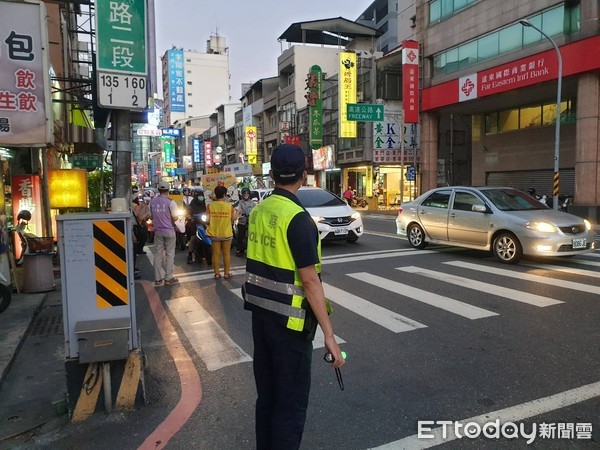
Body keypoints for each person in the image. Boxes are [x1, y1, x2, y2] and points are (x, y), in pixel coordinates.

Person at [243, 144, 345, 450]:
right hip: (290, 327)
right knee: (290, 406)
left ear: (272, 175)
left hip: (261, 321)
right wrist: (329, 334)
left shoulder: (259, 210)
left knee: (268, 399)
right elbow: (310, 281)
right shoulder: (298, 219)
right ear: (304, 175)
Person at [149, 180, 179, 285]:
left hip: (158, 231)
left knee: (158, 254)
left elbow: (150, 216)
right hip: (169, 231)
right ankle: (168, 277)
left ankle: (157, 278)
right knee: (170, 254)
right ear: (168, 190)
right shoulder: (171, 202)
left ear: (158, 190)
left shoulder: (152, 202)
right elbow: (175, 217)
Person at [206, 184, 234, 279]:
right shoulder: (229, 206)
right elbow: (233, 219)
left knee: (216, 254)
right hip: (226, 233)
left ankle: (217, 273)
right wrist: (237, 214)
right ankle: (226, 273)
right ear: (225, 195)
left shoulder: (210, 206)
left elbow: (207, 220)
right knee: (226, 253)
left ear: (215, 194)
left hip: (215, 233)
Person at [186, 190, 208, 264]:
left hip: (205, 223)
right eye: (199, 195)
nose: (201, 197)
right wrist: (189, 216)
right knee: (193, 238)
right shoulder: (192, 204)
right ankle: (189, 255)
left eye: (201, 195)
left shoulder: (206, 203)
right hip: (195, 223)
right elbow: (188, 213)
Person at [234, 187, 256, 257]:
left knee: (252, 236)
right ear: (242, 195)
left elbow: (255, 210)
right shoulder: (240, 202)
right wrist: (240, 212)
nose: (246, 195)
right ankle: (239, 250)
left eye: (247, 193)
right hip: (242, 221)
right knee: (240, 235)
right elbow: (237, 209)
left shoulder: (252, 203)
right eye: (244, 193)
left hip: (250, 221)